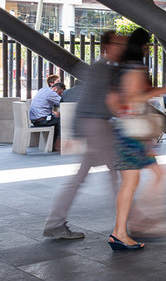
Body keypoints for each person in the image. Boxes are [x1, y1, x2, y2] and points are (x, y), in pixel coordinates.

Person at [42, 30, 125, 240]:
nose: (122, 47)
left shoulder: (103, 68)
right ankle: (128, 224)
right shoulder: (102, 69)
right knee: (117, 172)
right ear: (106, 47)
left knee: (88, 176)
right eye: (117, 43)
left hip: (96, 126)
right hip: (97, 126)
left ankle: (55, 223)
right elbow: (92, 101)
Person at [106, 28, 166, 251]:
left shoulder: (121, 69)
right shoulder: (135, 69)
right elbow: (135, 97)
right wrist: (160, 90)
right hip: (131, 135)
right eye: (147, 45)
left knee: (146, 178)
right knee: (132, 183)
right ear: (142, 46)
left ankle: (133, 225)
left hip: (128, 132)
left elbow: (113, 101)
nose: (149, 48)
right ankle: (124, 230)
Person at [29, 78, 65, 151]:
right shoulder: (51, 93)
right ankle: (56, 145)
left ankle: (52, 144)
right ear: (55, 89)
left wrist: (53, 112)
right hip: (41, 120)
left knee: (56, 119)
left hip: (35, 120)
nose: (60, 95)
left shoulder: (43, 89)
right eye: (60, 93)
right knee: (62, 121)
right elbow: (62, 102)